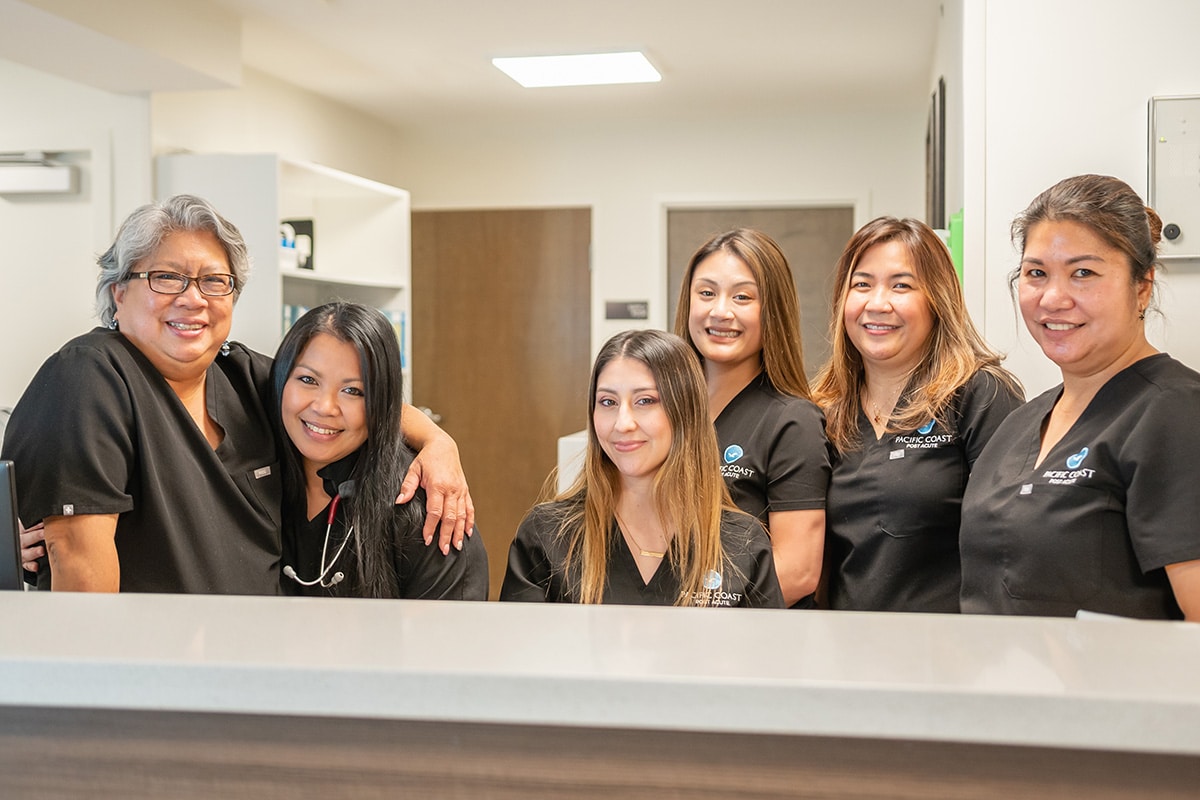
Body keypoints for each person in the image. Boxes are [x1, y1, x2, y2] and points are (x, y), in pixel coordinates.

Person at [2, 194, 473, 594]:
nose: (193, 299)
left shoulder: (239, 374)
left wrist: (437, 442)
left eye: (214, 281)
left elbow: (341, 401)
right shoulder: (90, 377)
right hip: (152, 676)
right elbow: (77, 563)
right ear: (118, 290)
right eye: (167, 277)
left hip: (252, 667)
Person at [960, 174, 1200, 620]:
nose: (1053, 297)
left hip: (1116, 688)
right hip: (1000, 686)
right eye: (1036, 274)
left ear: (1141, 285)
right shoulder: (1020, 423)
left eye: (1083, 273)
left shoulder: (1175, 411)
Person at [811, 217, 1023, 612]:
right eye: (862, 284)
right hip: (847, 653)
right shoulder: (824, 410)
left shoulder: (980, 394)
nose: (877, 303)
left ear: (937, 298)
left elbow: (1013, 542)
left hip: (949, 654)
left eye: (901, 285)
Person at [500, 329, 783, 607]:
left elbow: (770, 652)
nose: (622, 423)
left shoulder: (741, 542)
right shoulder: (548, 535)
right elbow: (522, 650)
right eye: (608, 402)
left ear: (686, 412)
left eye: (645, 401)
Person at [272, 302, 487, 599]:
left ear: (381, 402)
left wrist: (439, 441)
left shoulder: (423, 513)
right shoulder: (256, 474)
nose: (324, 407)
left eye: (353, 391)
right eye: (308, 380)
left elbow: (448, 641)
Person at [672, 229, 829, 607]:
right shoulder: (666, 411)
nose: (720, 311)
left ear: (771, 310)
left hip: (745, 643)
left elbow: (797, 571)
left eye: (742, 296)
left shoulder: (792, 422)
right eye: (706, 293)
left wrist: (698, 625)